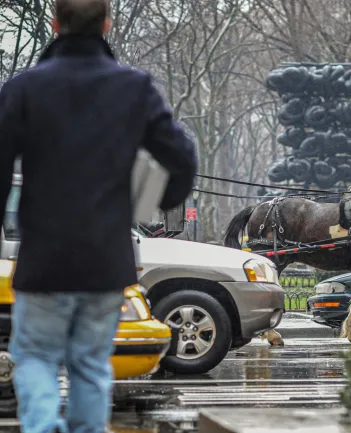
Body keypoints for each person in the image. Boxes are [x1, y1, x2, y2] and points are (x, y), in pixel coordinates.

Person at [0, 0, 197, 432]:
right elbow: (181, 156)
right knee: (91, 364)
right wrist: (167, 200)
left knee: (34, 357)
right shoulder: (134, 88)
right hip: (105, 259)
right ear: (107, 24)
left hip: (43, 259)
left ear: (54, 24)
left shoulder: (23, 89)